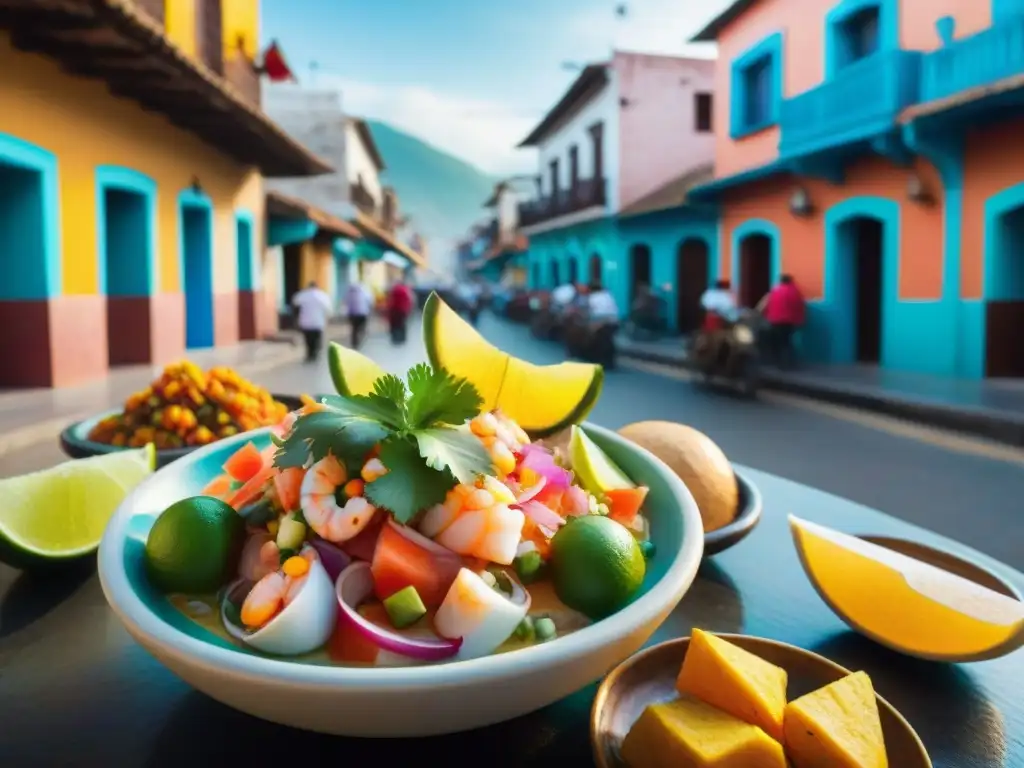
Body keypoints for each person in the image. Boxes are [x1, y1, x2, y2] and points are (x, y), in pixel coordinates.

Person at [762, 274, 806, 368]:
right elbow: (800, 307)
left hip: (775, 321)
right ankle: (790, 363)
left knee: (777, 342)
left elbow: (767, 305)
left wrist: (766, 316)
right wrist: (800, 320)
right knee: (787, 342)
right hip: (790, 321)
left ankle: (779, 363)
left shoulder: (775, 291)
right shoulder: (795, 292)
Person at [291, 280, 332, 362]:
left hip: (306, 322)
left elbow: (295, 303)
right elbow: (328, 309)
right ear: (317, 287)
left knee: (308, 339)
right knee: (317, 339)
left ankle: (309, 354)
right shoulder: (322, 296)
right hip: (318, 322)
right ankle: (315, 353)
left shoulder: (302, 295)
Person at [586, 280, 620, 368]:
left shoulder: (592, 297)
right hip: (614, 321)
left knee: (590, 336)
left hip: (600, 321)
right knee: (609, 340)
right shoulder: (608, 295)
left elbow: (591, 312)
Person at [343, 280, 374, 349]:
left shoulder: (349, 293)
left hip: (352, 314)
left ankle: (355, 342)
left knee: (354, 328)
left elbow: (345, 302)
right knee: (361, 327)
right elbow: (370, 301)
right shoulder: (365, 292)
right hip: (362, 314)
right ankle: (360, 336)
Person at [387, 277, 414, 344]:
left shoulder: (395, 290)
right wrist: (408, 310)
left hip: (395, 310)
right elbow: (410, 301)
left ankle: (395, 338)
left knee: (395, 325)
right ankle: (402, 338)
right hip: (403, 310)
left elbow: (391, 301)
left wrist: (389, 309)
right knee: (402, 325)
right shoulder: (406, 290)